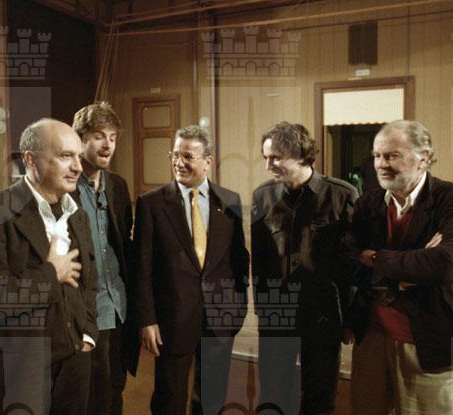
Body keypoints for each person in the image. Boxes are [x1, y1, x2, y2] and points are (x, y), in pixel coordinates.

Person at [347, 120, 453, 414]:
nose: (380, 164)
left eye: (391, 156)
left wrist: (375, 259)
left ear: (423, 158)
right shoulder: (368, 202)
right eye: (376, 156)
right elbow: (347, 258)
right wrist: (411, 267)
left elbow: (444, 264)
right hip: (372, 336)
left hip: (431, 341)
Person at [0, 118, 98, 415]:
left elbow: (90, 283)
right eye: (65, 156)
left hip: (73, 366)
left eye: (78, 156)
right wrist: (51, 274)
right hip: (16, 373)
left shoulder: (77, 215)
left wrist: (87, 335)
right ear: (30, 160)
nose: (78, 167)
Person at [134, 125, 249, 414]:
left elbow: (239, 261)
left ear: (207, 161)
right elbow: (142, 268)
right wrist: (147, 320)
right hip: (172, 320)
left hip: (220, 318)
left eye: (187, 156)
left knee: (211, 399)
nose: (178, 162)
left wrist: (238, 309)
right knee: (169, 399)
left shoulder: (229, 201)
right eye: (174, 155)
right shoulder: (151, 204)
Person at [251, 121, 358, 414]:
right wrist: (263, 310)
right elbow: (259, 262)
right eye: (265, 158)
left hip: (323, 312)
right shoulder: (262, 196)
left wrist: (351, 319)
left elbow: (350, 265)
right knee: (273, 394)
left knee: (320, 396)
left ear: (299, 154)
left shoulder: (342, 195)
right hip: (276, 312)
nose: (268, 166)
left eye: (275, 158)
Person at [71, 102, 138, 415]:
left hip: (119, 307)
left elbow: (124, 247)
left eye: (112, 137)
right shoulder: (65, 188)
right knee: (90, 397)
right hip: (86, 312)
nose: (107, 145)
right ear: (81, 139)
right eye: (99, 136)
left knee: (115, 389)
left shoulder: (118, 186)